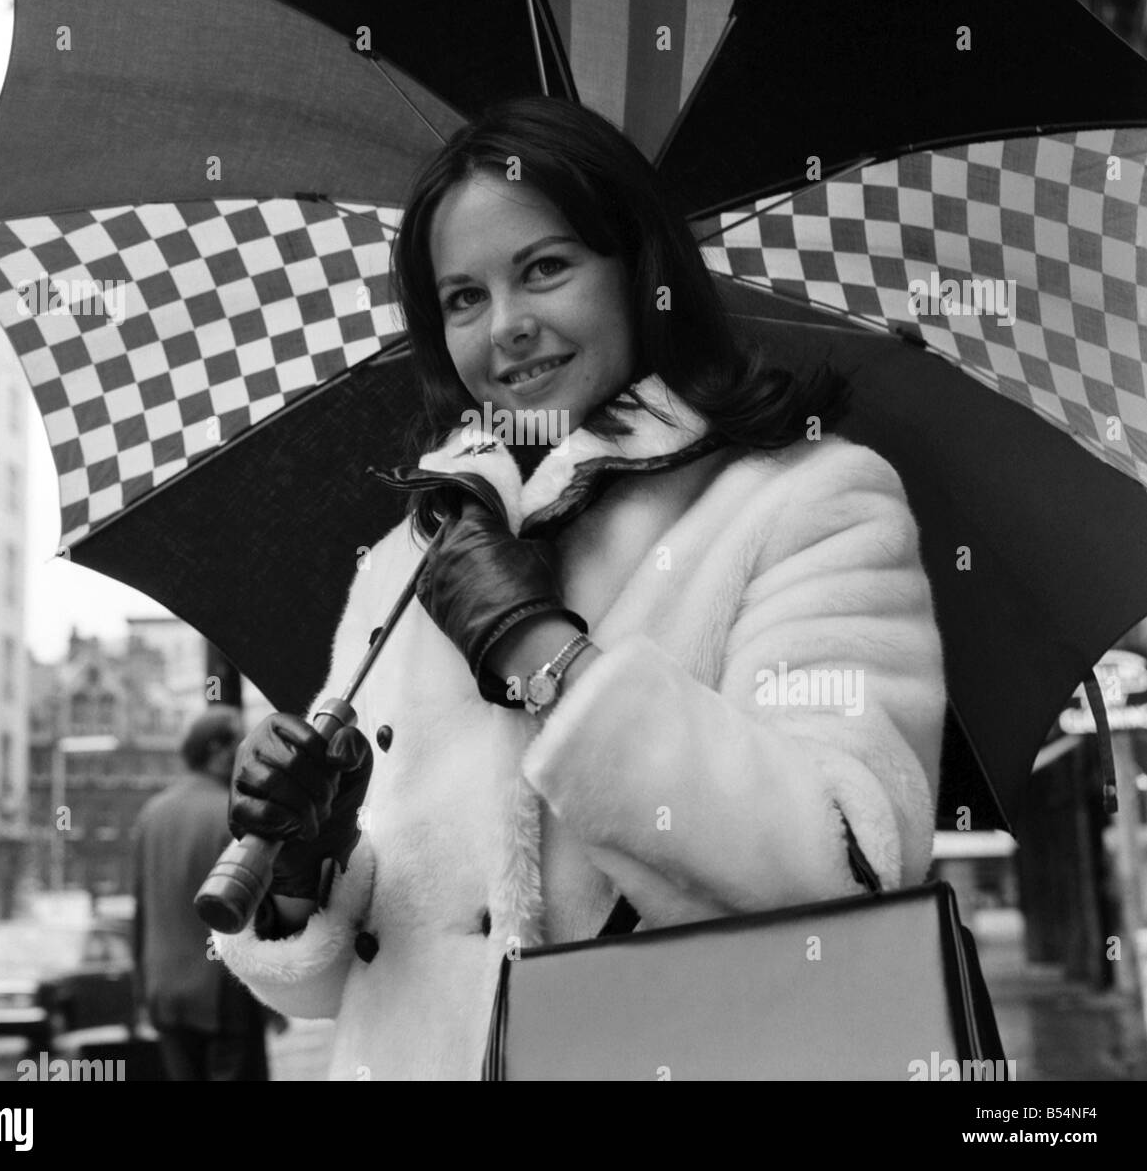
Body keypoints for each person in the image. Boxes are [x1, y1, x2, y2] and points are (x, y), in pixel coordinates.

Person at [215, 97, 946, 1081]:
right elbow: (319, 984)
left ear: (636, 273)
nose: (506, 328)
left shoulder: (807, 501)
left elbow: (845, 865)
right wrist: (310, 859)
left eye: (544, 268)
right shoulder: (411, 555)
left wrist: (539, 652)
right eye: (462, 297)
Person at [133, 706, 271, 1080]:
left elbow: (141, 913)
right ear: (220, 749)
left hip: (164, 991)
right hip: (222, 994)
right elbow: (254, 911)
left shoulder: (151, 814)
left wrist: (142, 992)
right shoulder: (233, 815)